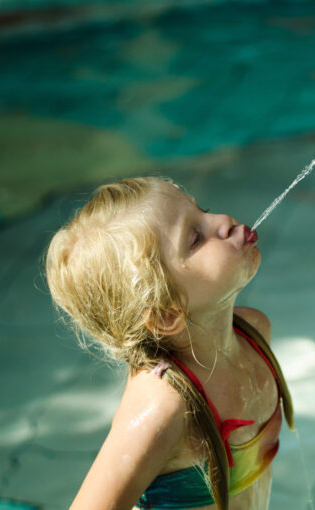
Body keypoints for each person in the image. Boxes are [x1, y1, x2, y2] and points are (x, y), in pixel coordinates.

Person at [45, 176, 294, 510]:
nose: (221, 222)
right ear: (165, 314)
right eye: (195, 238)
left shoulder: (255, 334)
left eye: (202, 211)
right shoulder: (164, 405)